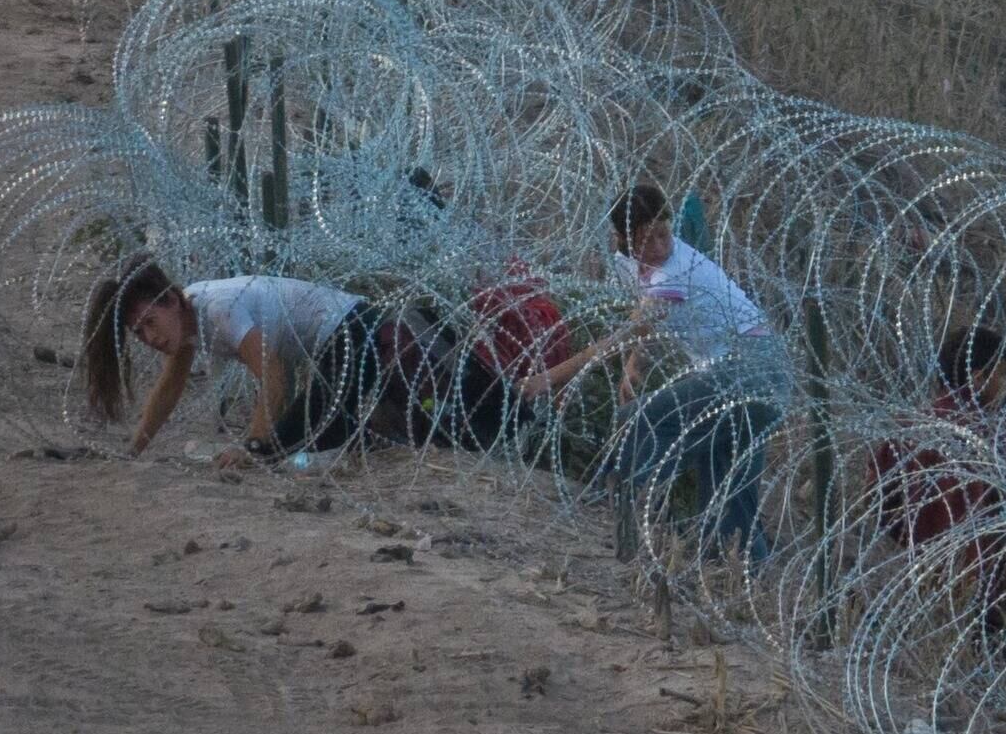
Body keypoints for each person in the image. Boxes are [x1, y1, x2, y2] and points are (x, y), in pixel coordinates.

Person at [518, 184, 790, 561]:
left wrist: (549, 378)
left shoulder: (672, 274)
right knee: (728, 494)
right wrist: (633, 365)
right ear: (623, 240)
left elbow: (627, 332)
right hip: (747, 371)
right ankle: (745, 582)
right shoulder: (628, 262)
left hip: (753, 367)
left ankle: (630, 528)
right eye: (648, 240)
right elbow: (645, 321)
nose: (661, 246)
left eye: (665, 233)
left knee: (640, 421)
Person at [83, 256, 518, 467]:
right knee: (307, 433)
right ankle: (368, 437)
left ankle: (378, 439)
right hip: (346, 340)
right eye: (138, 332)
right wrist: (135, 447)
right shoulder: (188, 320)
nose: (150, 338)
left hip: (353, 331)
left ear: (173, 300)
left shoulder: (216, 307)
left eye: (150, 322)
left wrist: (251, 446)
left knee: (285, 445)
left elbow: (273, 371)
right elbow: (169, 387)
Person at [872, 325, 1006, 633]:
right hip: (982, 572)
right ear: (979, 377)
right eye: (1004, 376)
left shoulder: (918, 423)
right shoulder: (987, 434)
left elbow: (880, 491)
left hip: (922, 565)